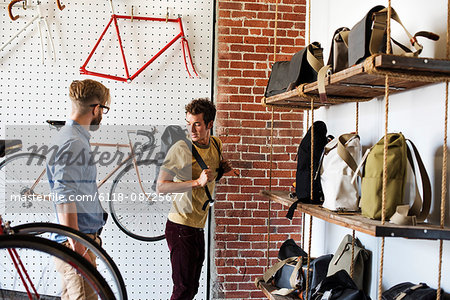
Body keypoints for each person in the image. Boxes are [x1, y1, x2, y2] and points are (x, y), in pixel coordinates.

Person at [157, 98, 232, 300]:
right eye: (188, 123)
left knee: (191, 289)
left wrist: (222, 169)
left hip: (198, 226)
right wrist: (196, 183)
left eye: (197, 124)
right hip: (180, 226)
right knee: (182, 290)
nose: (191, 129)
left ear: (209, 124)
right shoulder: (180, 149)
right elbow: (161, 186)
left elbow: (209, 175)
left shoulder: (216, 144)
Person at [46, 79, 110, 300]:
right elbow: (63, 194)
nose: (102, 114)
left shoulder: (74, 138)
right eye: (104, 109)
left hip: (78, 242)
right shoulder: (73, 142)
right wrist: (77, 246)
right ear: (95, 109)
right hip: (77, 243)